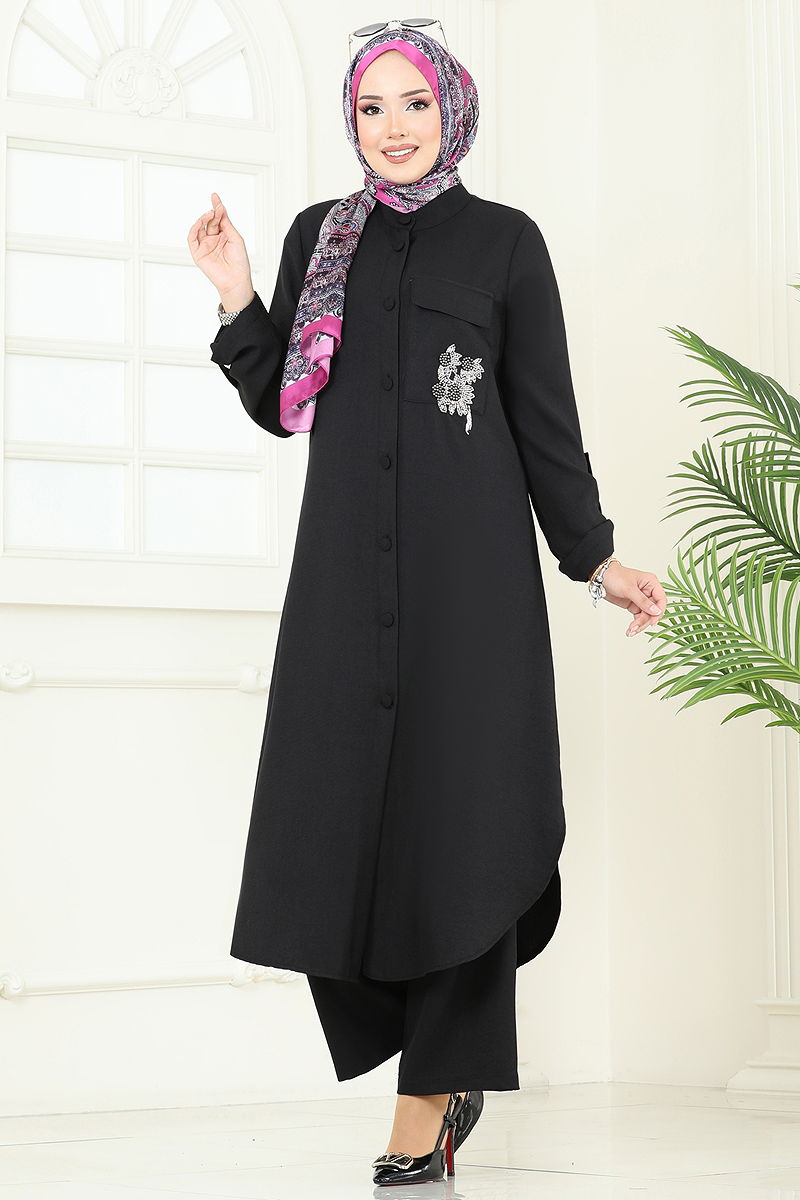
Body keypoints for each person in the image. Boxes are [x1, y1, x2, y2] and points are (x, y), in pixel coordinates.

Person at [187, 17, 667, 1187]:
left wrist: (594, 556)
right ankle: (422, 1067)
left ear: (450, 110)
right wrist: (238, 296)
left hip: (470, 594)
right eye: (371, 108)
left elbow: (541, 419)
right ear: (349, 121)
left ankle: (428, 1099)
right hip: (343, 585)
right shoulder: (320, 237)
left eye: (413, 104)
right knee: (328, 826)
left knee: (462, 832)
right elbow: (282, 405)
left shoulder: (505, 244)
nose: (392, 127)